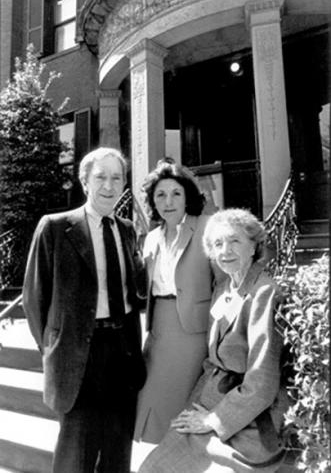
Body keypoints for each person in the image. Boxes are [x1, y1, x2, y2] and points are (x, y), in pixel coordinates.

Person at [23, 147, 146, 473]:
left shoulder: (128, 230)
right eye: (101, 177)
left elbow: (135, 292)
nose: (109, 185)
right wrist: (54, 348)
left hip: (122, 352)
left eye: (116, 178)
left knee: (117, 450)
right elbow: (34, 299)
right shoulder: (54, 227)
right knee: (76, 453)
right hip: (77, 356)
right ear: (85, 182)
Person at [138, 208, 289, 473]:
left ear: (254, 246)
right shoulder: (223, 288)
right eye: (218, 244)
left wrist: (213, 420)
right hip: (210, 403)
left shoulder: (264, 293)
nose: (225, 251)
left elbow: (262, 382)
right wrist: (194, 411)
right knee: (152, 466)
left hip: (249, 422)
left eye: (235, 241)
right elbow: (211, 363)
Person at [134, 158, 222, 447]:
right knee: (149, 398)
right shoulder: (151, 238)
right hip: (159, 329)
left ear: (187, 197)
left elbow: (223, 282)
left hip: (193, 330)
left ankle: (179, 459)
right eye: (160, 195)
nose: (168, 201)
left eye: (176, 194)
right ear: (152, 201)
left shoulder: (207, 228)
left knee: (180, 403)